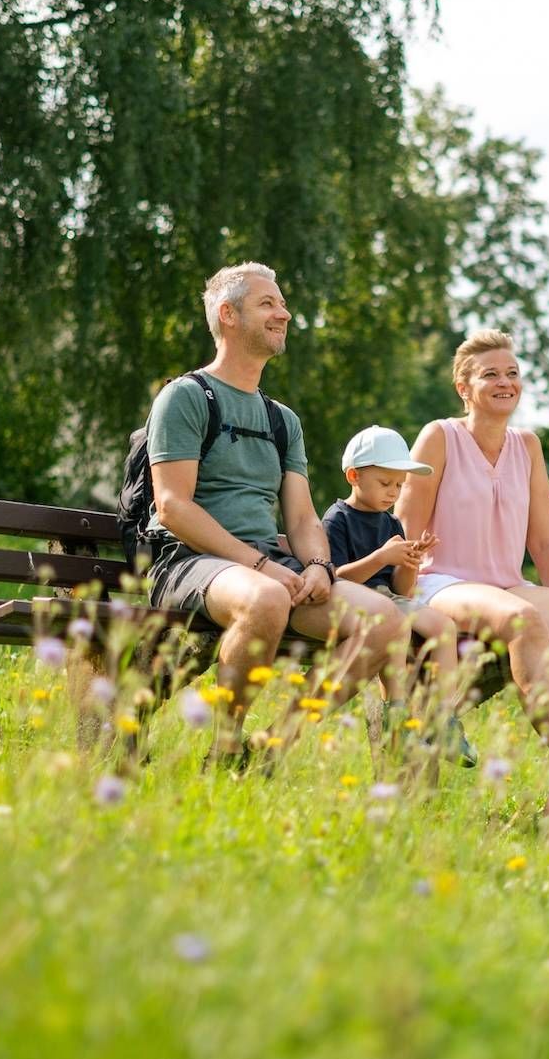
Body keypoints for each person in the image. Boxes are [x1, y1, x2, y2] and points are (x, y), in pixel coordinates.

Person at [145, 262, 408, 770]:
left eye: (282, 303)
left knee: (384, 621)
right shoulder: (185, 396)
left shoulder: (281, 419)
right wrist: (262, 568)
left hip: (263, 568)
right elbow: (173, 506)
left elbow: (304, 517)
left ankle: (269, 749)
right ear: (228, 315)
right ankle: (223, 746)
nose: (283, 313)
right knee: (265, 600)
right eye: (268, 303)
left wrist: (316, 566)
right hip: (187, 561)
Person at [395, 329, 549, 827]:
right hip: (440, 582)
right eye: (491, 375)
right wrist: (400, 599)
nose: (505, 382)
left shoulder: (527, 446)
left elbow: (546, 541)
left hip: (505, 583)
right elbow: (404, 526)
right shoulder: (439, 437)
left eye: (512, 374)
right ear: (465, 388)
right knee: (524, 618)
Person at [321, 425, 477, 768]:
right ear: (353, 476)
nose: (393, 492)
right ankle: (398, 716)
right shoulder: (338, 519)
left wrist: (410, 561)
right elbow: (334, 577)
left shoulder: (392, 524)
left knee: (444, 627)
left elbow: (402, 589)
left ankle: (443, 717)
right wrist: (380, 557)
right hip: (353, 600)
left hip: (389, 598)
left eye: (399, 486)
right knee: (398, 629)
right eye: (385, 483)